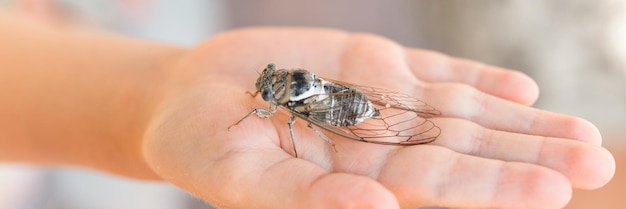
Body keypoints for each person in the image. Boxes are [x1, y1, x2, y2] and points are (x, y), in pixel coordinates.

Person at [0, 14, 615, 209]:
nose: (262, 94)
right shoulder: (272, 98)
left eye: (267, 92)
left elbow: (296, 111)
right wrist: (160, 88)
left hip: (337, 104)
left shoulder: (286, 103)